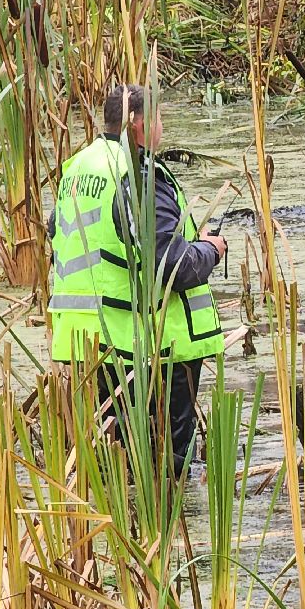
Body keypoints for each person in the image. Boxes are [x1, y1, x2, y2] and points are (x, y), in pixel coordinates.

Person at [47, 84, 227, 472]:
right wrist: (211, 249)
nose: (163, 127)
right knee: (166, 466)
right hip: (150, 345)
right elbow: (170, 264)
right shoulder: (137, 173)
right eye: (159, 118)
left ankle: (124, 526)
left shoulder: (79, 168)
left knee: (117, 460)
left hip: (86, 342)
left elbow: (59, 235)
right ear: (139, 123)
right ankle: (167, 530)